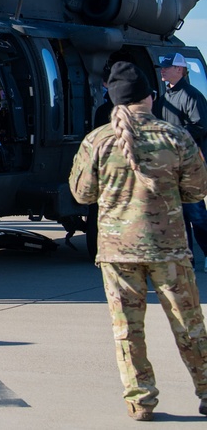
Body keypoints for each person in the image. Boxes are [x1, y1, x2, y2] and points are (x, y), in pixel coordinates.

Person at [70, 61, 207, 422]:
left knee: (128, 331)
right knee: (189, 325)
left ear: (114, 102)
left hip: (117, 251)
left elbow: (82, 194)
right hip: (170, 249)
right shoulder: (176, 137)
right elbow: (196, 189)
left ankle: (140, 400)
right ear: (150, 97)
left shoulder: (97, 141)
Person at [154, 53, 207, 271]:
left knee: (195, 214)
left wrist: (172, 136)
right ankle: (187, 259)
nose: (163, 70)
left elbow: (200, 127)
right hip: (170, 165)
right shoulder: (164, 98)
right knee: (177, 215)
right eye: (162, 67)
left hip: (189, 165)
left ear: (180, 69)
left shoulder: (192, 96)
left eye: (167, 67)